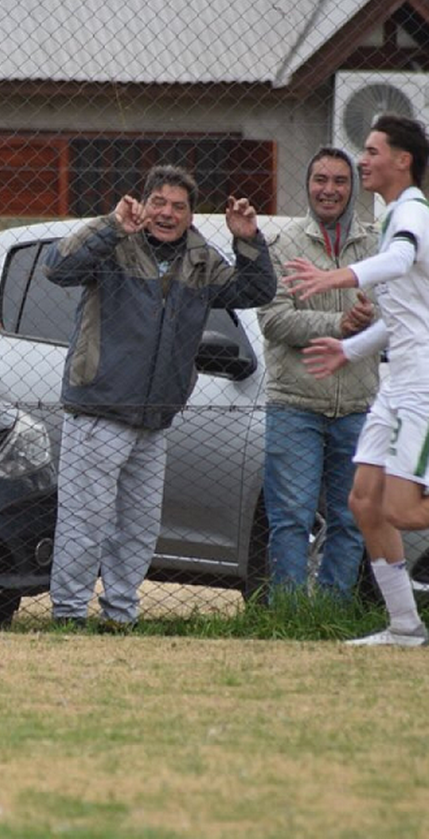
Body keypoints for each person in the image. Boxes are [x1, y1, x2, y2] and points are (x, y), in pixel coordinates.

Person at [44, 166, 276, 628]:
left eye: (179, 206)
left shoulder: (201, 258)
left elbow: (256, 290)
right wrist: (111, 225)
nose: (167, 213)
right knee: (83, 525)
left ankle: (119, 618)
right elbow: (58, 267)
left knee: (138, 530)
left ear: (191, 215)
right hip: (99, 411)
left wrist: (248, 239)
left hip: (155, 419)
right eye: (159, 203)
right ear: (143, 204)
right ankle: (68, 617)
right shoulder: (114, 244)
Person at [287, 114, 429, 646]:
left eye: (372, 151)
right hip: (397, 384)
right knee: (365, 504)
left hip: (422, 385)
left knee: (403, 508)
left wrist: (335, 277)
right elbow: (400, 318)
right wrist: (349, 348)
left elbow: (399, 259)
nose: (362, 160)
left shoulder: (412, 211)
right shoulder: (394, 212)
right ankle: (405, 627)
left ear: (402, 160)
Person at [258, 148, 379, 601]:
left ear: (353, 188)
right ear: (307, 185)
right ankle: (288, 614)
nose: (329, 190)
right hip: (296, 404)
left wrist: (369, 317)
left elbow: (394, 311)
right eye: (320, 180)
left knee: (352, 518)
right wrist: (338, 325)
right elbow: (273, 321)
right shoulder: (283, 244)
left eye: (340, 181)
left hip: (358, 406)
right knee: (291, 516)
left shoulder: (376, 245)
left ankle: (333, 611)